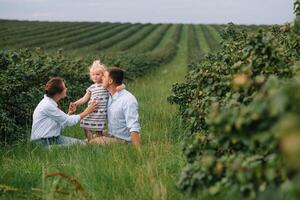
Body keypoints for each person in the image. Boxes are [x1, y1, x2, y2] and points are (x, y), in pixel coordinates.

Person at [30, 77, 97, 146]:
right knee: (81, 146)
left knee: (83, 144)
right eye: (64, 87)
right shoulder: (47, 105)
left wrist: (69, 113)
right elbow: (69, 121)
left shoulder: (50, 103)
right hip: (42, 143)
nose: (66, 89)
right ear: (58, 92)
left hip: (54, 138)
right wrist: (87, 111)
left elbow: (61, 123)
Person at [73, 60, 125, 141]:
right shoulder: (91, 87)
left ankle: (100, 141)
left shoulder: (105, 85)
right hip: (91, 111)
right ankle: (90, 141)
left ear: (103, 75)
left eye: (98, 74)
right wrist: (76, 103)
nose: (95, 76)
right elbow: (84, 99)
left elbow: (118, 87)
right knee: (85, 124)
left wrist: (121, 86)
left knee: (98, 129)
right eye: (93, 75)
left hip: (100, 113)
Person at [90, 67, 141, 146]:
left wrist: (138, 150)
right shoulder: (109, 95)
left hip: (123, 140)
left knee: (92, 143)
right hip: (112, 134)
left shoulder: (127, 99)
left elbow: (133, 126)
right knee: (89, 139)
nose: (101, 78)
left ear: (110, 81)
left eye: (104, 76)